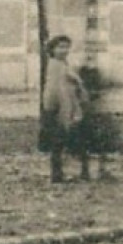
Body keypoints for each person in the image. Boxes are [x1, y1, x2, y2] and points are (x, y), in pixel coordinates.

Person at [40, 36, 90, 183]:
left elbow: (73, 84)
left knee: (77, 139)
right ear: (52, 49)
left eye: (66, 47)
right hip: (59, 108)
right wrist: (53, 107)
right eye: (60, 47)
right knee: (58, 141)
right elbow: (53, 89)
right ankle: (57, 174)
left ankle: (83, 171)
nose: (64, 50)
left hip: (71, 106)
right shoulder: (54, 66)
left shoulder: (65, 64)